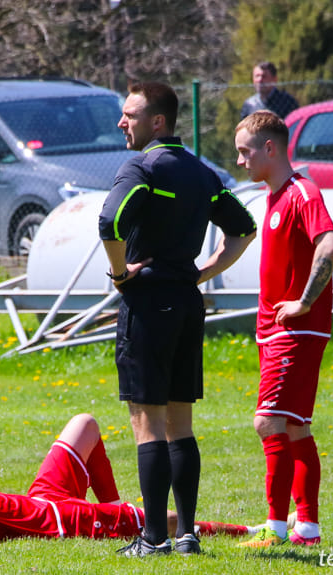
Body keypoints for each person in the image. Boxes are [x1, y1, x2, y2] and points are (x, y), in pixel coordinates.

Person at [97, 81, 257, 557]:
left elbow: (110, 222)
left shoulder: (142, 166)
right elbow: (243, 228)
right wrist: (201, 272)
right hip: (188, 305)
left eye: (130, 115)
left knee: (147, 424)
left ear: (158, 122)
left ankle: (153, 539)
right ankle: (187, 535)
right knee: (180, 424)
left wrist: (121, 273)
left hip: (148, 306)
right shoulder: (203, 173)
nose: (122, 123)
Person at [0, 413, 258, 543]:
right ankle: (247, 529)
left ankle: (110, 503)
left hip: (41, 496)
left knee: (85, 424)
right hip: (55, 519)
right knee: (160, 521)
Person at [234, 110, 333, 548]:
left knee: (268, 421)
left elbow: (329, 245)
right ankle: (307, 528)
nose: (241, 162)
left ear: (270, 149)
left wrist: (304, 301)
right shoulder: (273, 197)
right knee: (295, 426)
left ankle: (275, 528)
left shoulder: (302, 192)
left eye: (245, 152)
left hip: (294, 332)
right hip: (277, 333)